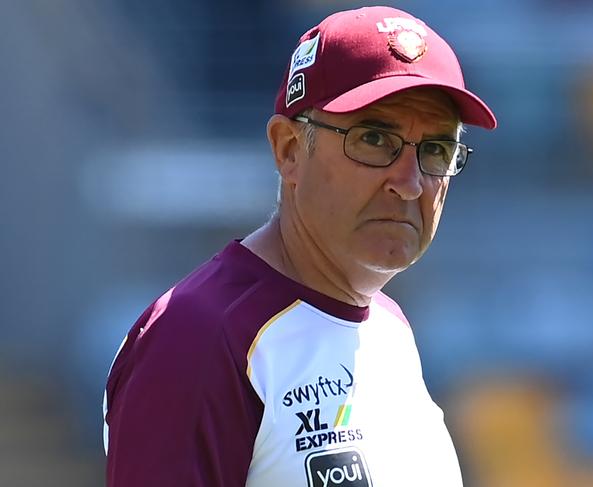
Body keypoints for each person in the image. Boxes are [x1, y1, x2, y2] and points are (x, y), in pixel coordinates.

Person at [103, 5, 496, 486]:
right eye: (374, 138)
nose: (410, 183)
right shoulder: (199, 335)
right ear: (289, 149)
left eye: (436, 149)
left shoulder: (388, 326)